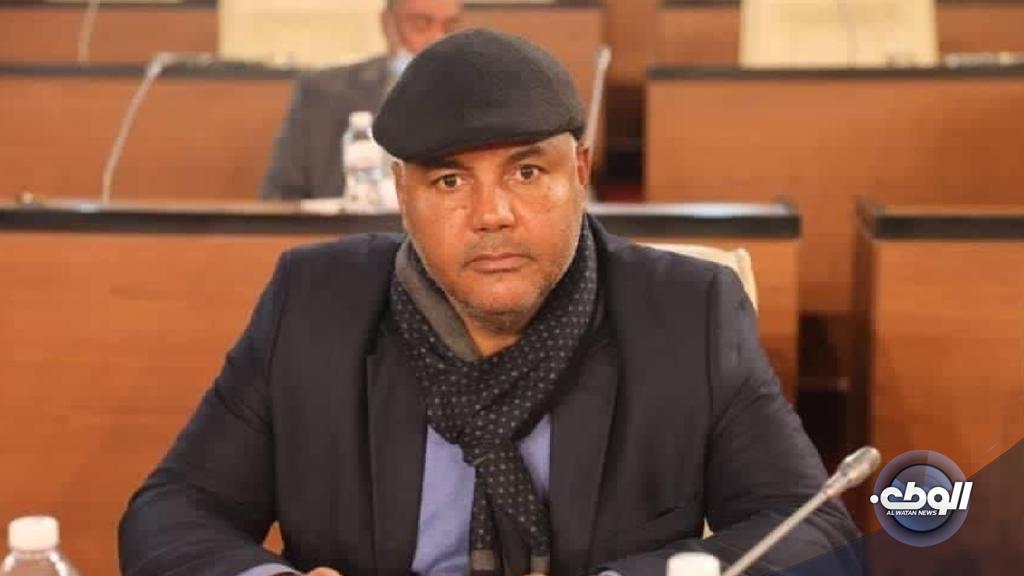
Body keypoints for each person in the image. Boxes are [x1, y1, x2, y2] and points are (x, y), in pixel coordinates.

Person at [119, 29, 862, 576]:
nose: (492, 214)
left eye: (527, 173)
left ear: (581, 172)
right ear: (402, 193)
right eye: (449, 182)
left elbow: (813, 531)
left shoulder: (687, 313)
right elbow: (172, 511)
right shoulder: (314, 303)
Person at [260, 0, 462, 200]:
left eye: (449, 27)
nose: (437, 39)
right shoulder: (322, 92)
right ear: (387, 23)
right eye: (421, 24)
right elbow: (280, 195)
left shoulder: (472, 94)